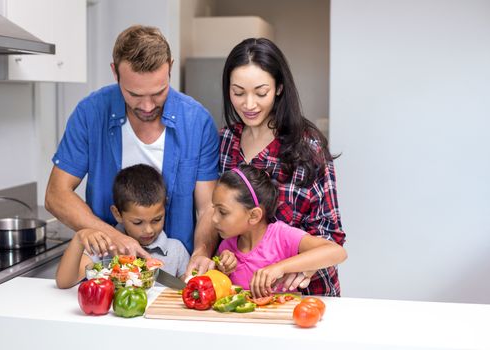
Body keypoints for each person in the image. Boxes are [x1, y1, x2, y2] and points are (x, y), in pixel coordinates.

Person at [45, 25, 219, 274]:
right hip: (108, 275)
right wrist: (113, 236)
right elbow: (55, 194)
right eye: (134, 94)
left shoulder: (197, 122)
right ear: (115, 72)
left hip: (175, 273)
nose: (148, 106)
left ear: (170, 67)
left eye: (159, 92)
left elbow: (207, 208)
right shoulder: (91, 113)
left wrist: (201, 253)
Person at [218, 38, 346, 296]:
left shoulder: (307, 147)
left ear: (278, 88)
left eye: (261, 92)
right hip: (242, 297)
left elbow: (331, 240)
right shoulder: (225, 141)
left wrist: (290, 267)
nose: (249, 104)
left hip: (304, 295)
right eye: (238, 92)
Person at [212, 165, 347, 298]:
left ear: (254, 216)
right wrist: (221, 271)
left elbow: (338, 252)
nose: (214, 219)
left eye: (222, 212)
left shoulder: (281, 236)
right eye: (214, 209)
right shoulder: (226, 246)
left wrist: (279, 268)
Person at [56, 164, 190, 289]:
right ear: (117, 214)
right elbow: (64, 282)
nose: (149, 230)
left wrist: (189, 281)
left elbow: (185, 289)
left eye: (157, 220)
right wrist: (79, 238)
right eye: (138, 222)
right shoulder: (103, 247)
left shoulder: (177, 250)